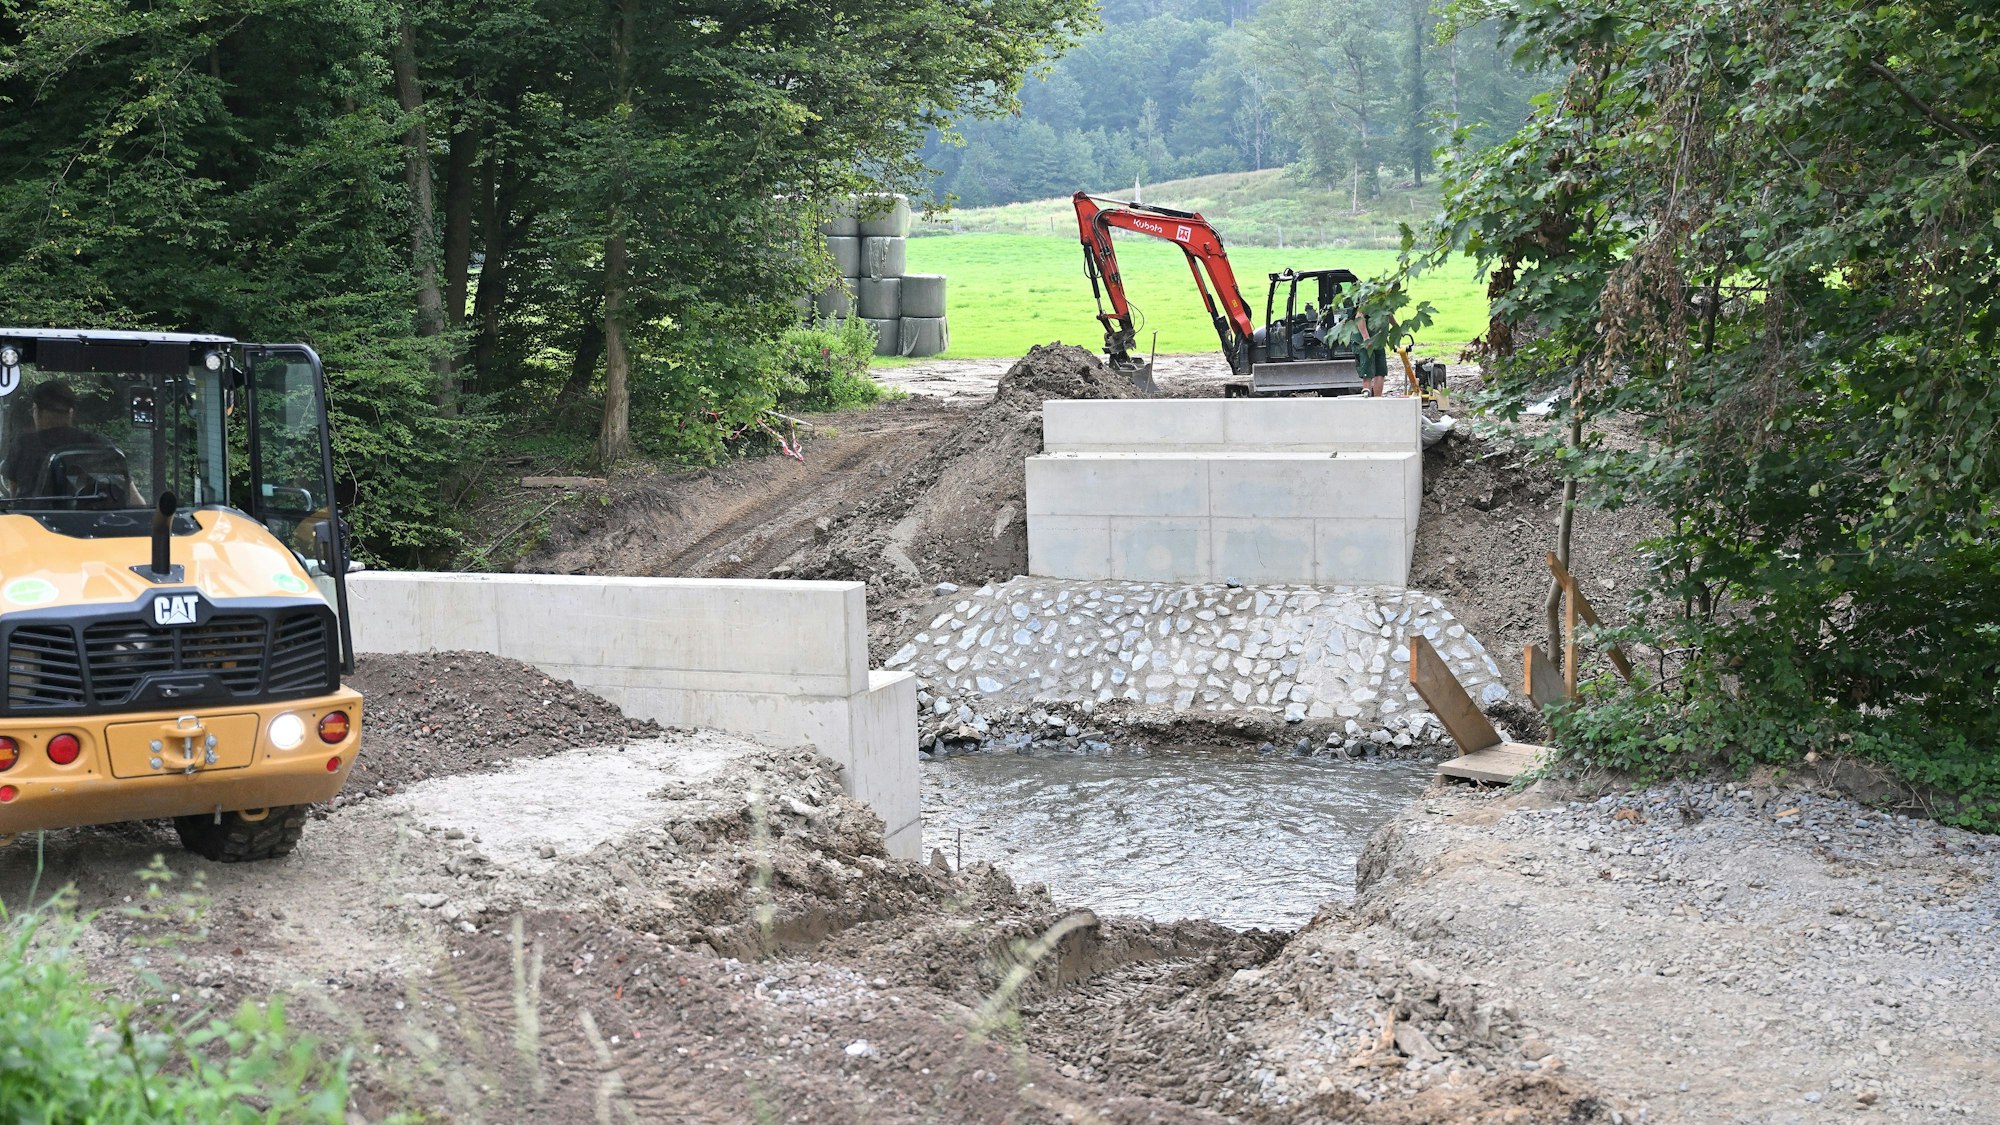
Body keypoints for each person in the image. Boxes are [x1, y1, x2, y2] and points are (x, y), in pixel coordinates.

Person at [2, 380, 120, 499]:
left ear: (37, 411)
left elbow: (15, 498)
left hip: (31, 517)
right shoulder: (98, 445)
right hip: (89, 517)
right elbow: (130, 496)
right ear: (71, 412)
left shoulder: (23, 445)